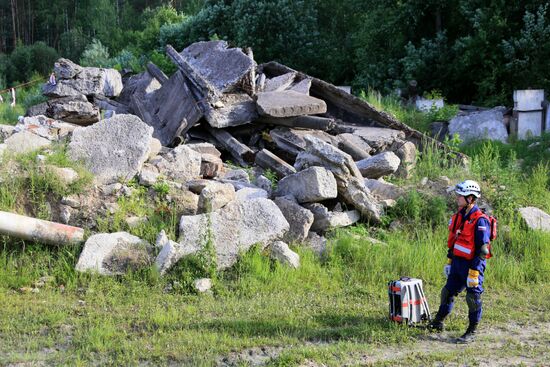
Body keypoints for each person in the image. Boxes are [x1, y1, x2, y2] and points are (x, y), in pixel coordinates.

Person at [428, 180, 491, 343]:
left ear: (470, 198)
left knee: (472, 298)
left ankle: (472, 331)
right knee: (447, 292)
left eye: (460, 195)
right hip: (457, 263)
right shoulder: (458, 217)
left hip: (472, 266)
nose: (457, 197)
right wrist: (449, 262)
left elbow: (483, 250)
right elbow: (454, 242)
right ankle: (437, 323)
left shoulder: (480, 220)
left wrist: (475, 272)